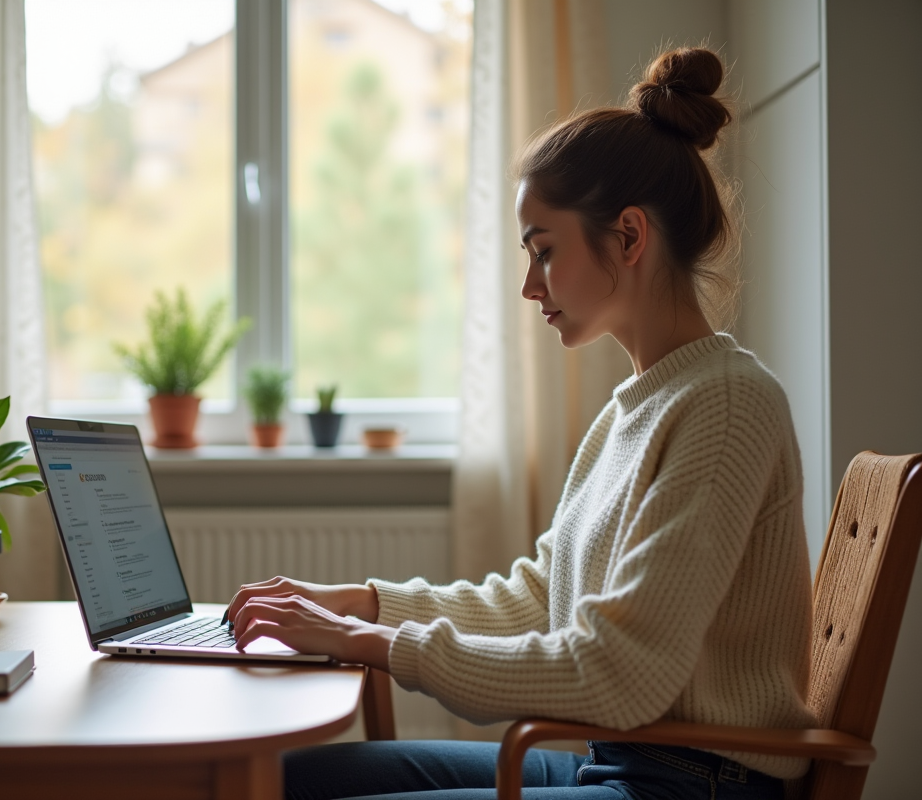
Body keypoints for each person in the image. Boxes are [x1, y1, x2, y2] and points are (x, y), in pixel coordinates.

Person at [225, 46, 814, 800]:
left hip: (692, 783)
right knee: (289, 780)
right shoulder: (636, 408)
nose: (529, 285)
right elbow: (539, 600)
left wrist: (371, 643)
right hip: (629, 762)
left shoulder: (728, 406)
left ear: (629, 237)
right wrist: (360, 602)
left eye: (543, 251)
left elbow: (620, 673)